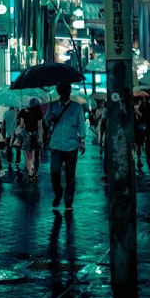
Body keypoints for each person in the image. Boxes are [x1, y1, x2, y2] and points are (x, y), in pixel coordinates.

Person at [45, 83, 86, 211]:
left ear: (69, 91)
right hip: (56, 144)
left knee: (70, 174)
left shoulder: (76, 107)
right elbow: (46, 121)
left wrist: (82, 140)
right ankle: (58, 192)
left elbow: (82, 124)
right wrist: (50, 118)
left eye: (66, 90)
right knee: (54, 171)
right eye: (62, 90)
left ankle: (68, 201)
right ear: (58, 91)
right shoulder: (52, 106)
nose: (64, 93)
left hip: (71, 144)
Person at [17, 98, 45, 182]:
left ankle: (30, 173)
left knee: (28, 156)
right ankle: (36, 172)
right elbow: (40, 127)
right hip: (36, 135)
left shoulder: (23, 112)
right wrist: (41, 138)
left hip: (27, 135)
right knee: (37, 156)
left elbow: (21, 125)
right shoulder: (39, 113)